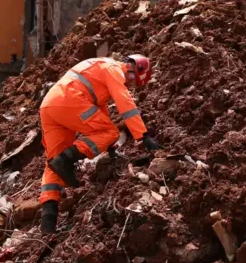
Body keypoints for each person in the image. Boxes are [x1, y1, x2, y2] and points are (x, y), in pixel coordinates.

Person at [38, 55, 162, 233]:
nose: (129, 85)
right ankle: (67, 159)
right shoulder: (114, 69)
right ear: (135, 69)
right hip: (69, 99)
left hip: (50, 105)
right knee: (110, 132)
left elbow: (100, 114)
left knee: (53, 162)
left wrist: (110, 148)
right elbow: (124, 102)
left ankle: (47, 224)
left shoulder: (99, 69)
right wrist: (143, 136)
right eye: (133, 82)